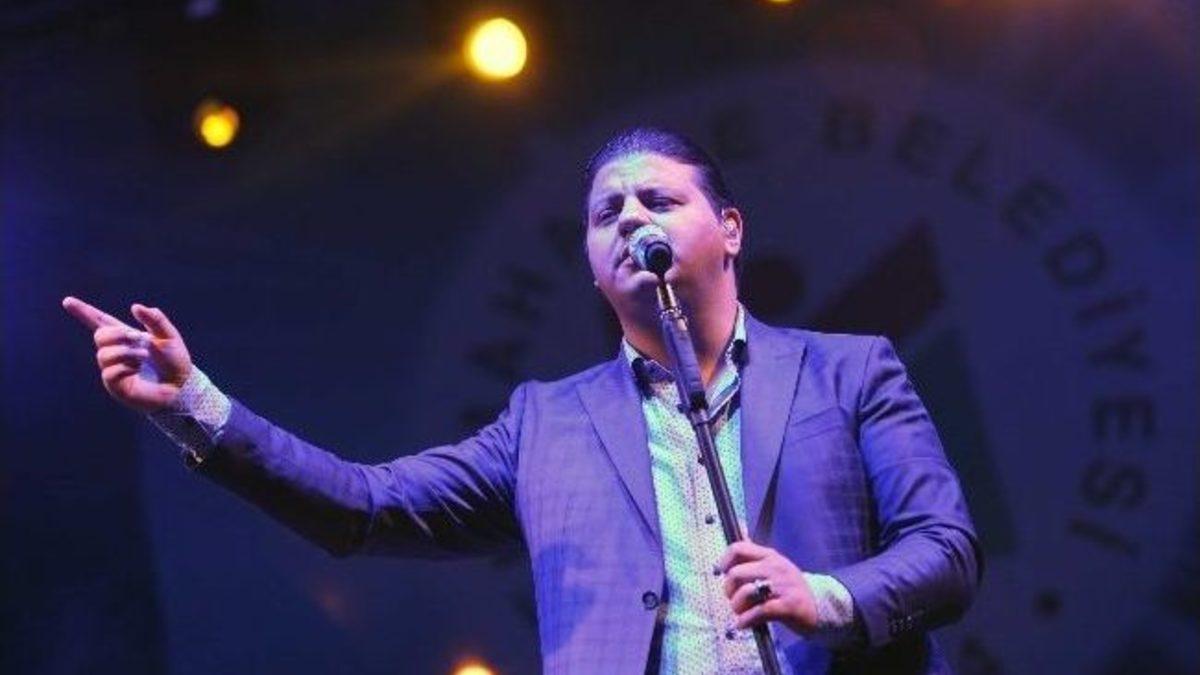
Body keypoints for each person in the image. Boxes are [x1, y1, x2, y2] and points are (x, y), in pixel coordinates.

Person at [63, 127, 982, 674]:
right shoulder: (546, 423)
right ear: (592, 264)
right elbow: (365, 504)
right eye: (606, 213)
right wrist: (194, 404)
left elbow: (946, 549)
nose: (631, 218)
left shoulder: (847, 372)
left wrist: (825, 596)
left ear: (729, 229)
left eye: (657, 200)